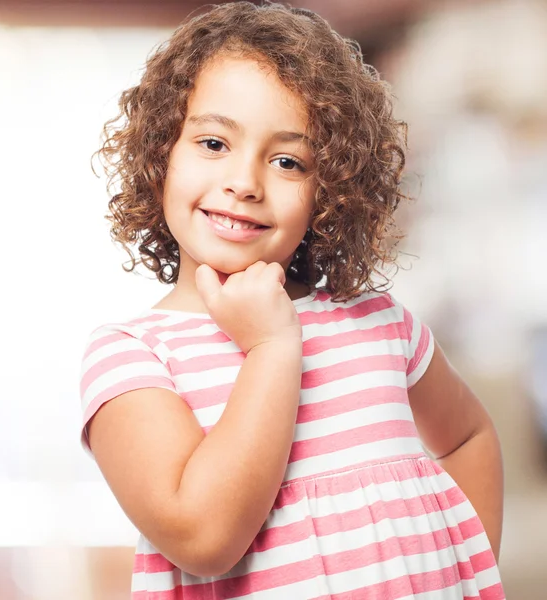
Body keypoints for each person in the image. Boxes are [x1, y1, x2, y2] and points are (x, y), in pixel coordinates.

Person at [79, 2, 505, 598]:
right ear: (159, 157)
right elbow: (202, 538)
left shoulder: (380, 323)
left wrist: (465, 575)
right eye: (212, 142)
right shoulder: (133, 357)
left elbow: (469, 438)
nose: (246, 182)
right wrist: (273, 348)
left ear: (329, 190)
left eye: (287, 160)